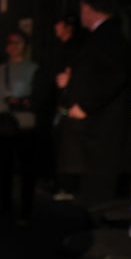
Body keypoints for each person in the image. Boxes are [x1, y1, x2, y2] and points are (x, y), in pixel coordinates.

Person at [55, 0, 131, 205]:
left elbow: (114, 75)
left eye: (82, 9)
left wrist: (85, 105)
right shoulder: (104, 36)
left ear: (90, 10)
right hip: (96, 129)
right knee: (92, 185)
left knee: (98, 189)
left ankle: (98, 228)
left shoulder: (107, 36)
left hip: (101, 130)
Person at [0, 29, 39, 224]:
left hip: (26, 126)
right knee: (5, 171)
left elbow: (35, 98)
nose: (13, 46)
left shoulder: (33, 68)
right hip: (5, 124)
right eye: (10, 42)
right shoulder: (1, 70)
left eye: (17, 42)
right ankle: (6, 209)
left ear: (25, 46)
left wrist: (19, 102)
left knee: (26, 171)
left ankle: (25, 211)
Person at [50, 12, 85, 200]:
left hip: (69, 105)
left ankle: (67, 186)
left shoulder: (74, 49)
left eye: (59, 24)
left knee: (68, 146)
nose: (56, 28)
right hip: (61, 104)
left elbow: (72, 75)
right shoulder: (60, 47)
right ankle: (60, 184)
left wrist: (69, 81)